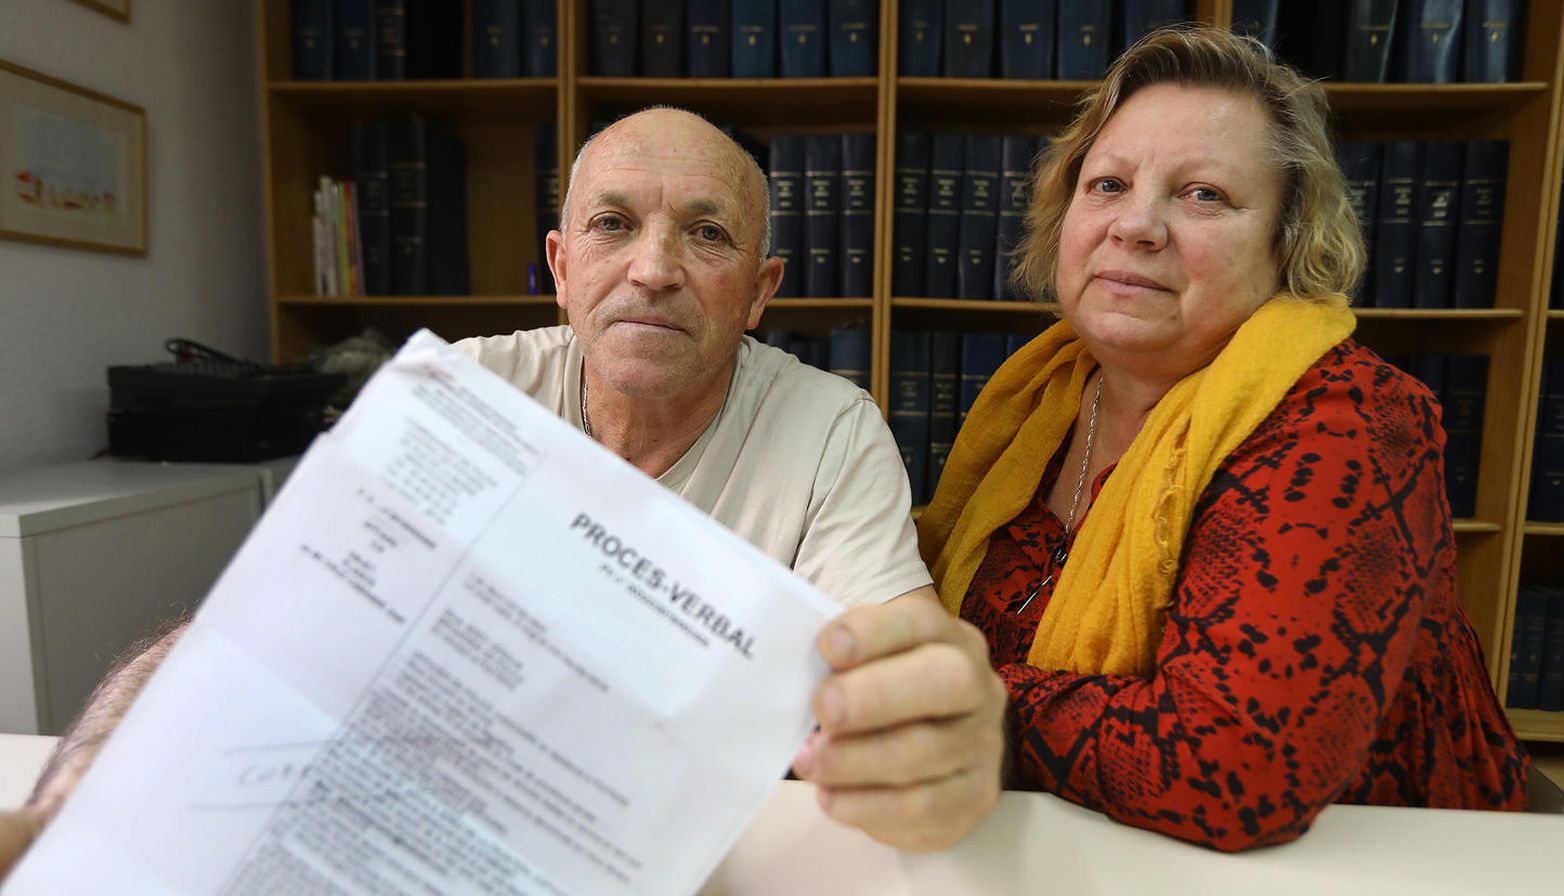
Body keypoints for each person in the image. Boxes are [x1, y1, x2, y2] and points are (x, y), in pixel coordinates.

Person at [0, 108, 1005, 878]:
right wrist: (66, 814)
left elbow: (897, 646)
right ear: (561, 270)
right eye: (614, 225)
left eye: (706, 234)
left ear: (760, 288)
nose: (653, 269)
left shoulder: (832, 426)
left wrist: (938, 727)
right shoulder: (464, 392)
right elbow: (252, 638)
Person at [917, 27, 1528, 852]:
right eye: (1107, 184)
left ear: (1287, 243)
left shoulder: (1351, 420)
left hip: (1362, 860)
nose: (1136, 225)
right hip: (1058, 842)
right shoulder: (1040, 399)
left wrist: (958, 697)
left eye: (1202, 195)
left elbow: (1236, 769)